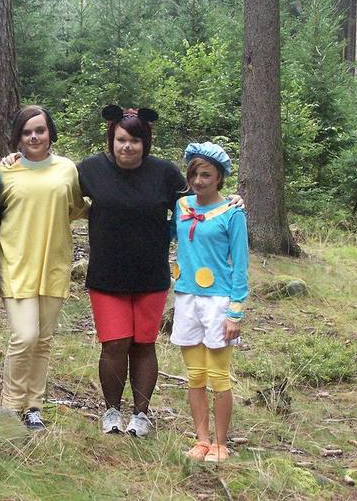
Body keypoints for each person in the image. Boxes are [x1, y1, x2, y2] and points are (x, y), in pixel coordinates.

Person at [77, 106, 244, 438]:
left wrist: (232, 200)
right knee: (115, 343)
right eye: (121, 139)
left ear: (146, 142)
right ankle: (112, 411)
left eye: (135, 140)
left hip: (151, 276)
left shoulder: (164, 173)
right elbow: (56, 185)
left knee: (143, 343)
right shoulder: (91, 169)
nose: (127, 146)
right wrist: (16, 162)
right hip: (106, 275)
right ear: (111, 139)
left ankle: (141, 414)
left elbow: (199, 201)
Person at [0, 105, 88, 430]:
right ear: (18, 137)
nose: (34, 137)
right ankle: (10, 406)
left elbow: (78, 207)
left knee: (43, 340)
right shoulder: (5, 172)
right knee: (25, 336)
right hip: (16, 263)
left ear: (50, 132)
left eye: (40, 130)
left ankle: (33, 406)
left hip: (54, 265)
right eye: (27, 132)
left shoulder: (67, 169)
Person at [170, 142, 248, 462]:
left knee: (218, 376)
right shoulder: (181, 206)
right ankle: (201, 440)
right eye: (194, 174)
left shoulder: (232, 213)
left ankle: (220, 443)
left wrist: (235, 311)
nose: (198, 181)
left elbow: (240, 265)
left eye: (206, 175)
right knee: (195, 375)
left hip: (218, 301)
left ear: (219, 178)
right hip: (186, 297)